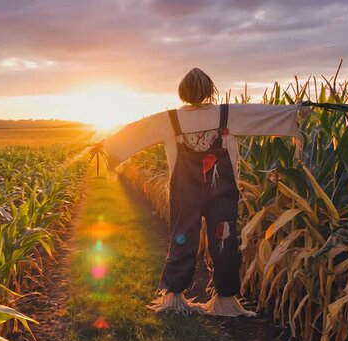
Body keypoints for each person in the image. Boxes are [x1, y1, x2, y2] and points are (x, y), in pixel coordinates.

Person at [102, 68, 311, 316]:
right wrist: (296, 111)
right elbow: (260, 115)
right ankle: (225, 301)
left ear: (183, 92)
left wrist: (109, 147)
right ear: (209, 91)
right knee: (225, 241)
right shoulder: (226, 114)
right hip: (221, 190)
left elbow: (137, 132)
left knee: (183, 238)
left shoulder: (170, 119)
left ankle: (174, 299)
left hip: (184, 191)